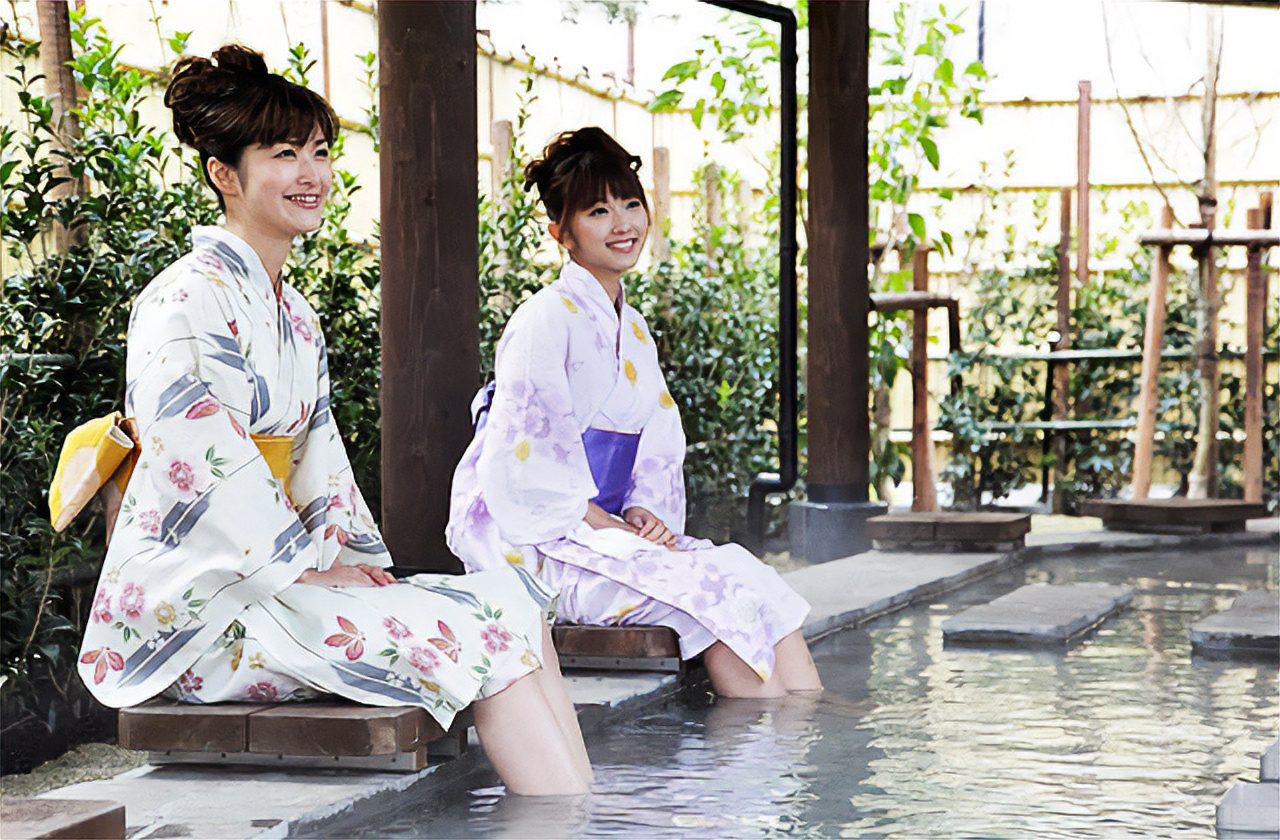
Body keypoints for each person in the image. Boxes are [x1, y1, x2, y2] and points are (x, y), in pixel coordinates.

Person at [75, 46, 590, 796]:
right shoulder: (182, 301)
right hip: (198, 609)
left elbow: (318, 463)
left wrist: (348, 559)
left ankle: (586, 813)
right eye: (284, 154)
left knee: (513, 601)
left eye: (319, 151)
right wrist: (310, 566)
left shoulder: (297, 316)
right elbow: (203, 471)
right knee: (478, 637)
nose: (312, 173)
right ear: (225, 174)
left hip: (276, 581)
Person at [447, 127, 822, 699]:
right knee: (705, 594)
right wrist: (604, 522)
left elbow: (657, 439)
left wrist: (644, 511)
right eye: (598, 210)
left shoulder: (635, 327)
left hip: (606, 530)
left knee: (751, 575)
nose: (623, 223)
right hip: (541, 546)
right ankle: (767, 754)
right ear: (561, 234)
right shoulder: (545, 318)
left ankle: (807, 735)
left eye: (630, 204)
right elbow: (528, 458)